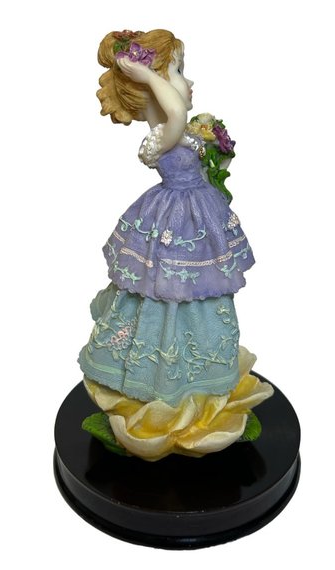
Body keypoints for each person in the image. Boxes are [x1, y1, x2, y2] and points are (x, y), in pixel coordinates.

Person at [77, 29, 272, 460]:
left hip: (197, 218)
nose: (189, 81)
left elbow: (189, 127)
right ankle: (158, 380)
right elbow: (178, 111)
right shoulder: (159, 136)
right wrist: (147, 73)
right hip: (174, 221)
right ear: (151, 86)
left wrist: (218, 155)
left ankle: (195, 371)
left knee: (202, 294)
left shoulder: (177, 129)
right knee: (163, 291)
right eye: (179, 71)